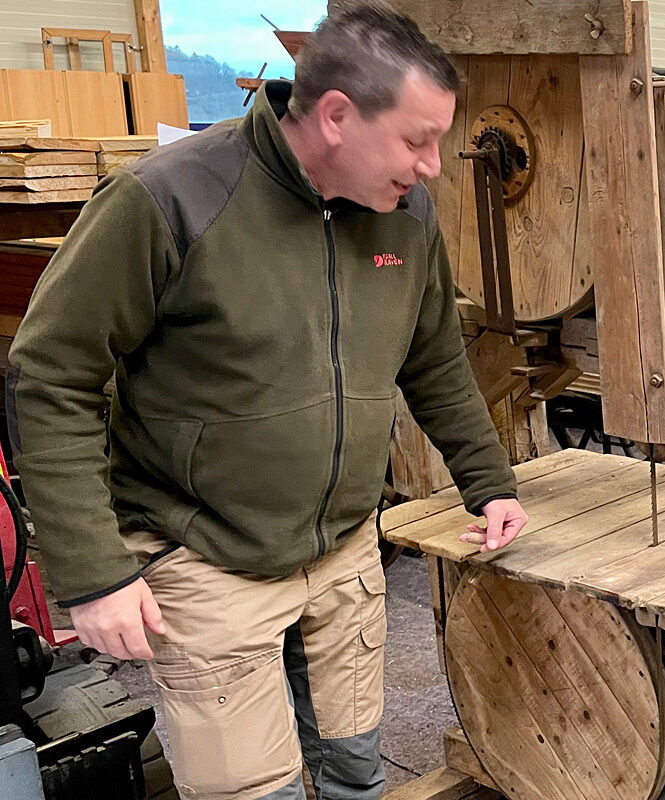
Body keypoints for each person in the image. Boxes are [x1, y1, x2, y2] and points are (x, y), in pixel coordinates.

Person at [9, 7, 531, 799]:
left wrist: (488, 482)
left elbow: (433, 358)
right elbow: (51, 375)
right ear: (335, 117)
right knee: (257, 792)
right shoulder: (166, 198)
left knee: (355, 771)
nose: (432, 166)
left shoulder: (406, 216)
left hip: (344, 547)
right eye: (416, 140)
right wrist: (92, 573)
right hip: (205, 551)